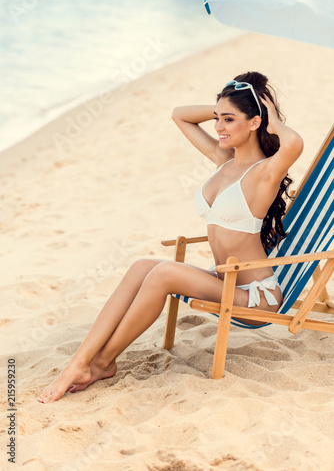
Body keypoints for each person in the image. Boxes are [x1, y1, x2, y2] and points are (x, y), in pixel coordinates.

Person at [38, 71, 303, 403]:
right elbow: (180, 115)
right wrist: (225, 105)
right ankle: (81, 362)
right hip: (224, 281)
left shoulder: (265, 172)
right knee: (141, 266)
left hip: (255, 296)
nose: (218, 127)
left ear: (254, 122)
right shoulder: (225, 162)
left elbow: (294, 143)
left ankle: (101, 363)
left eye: (229, 120)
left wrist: (271, 117)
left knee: (163, 273)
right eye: (218, 118)